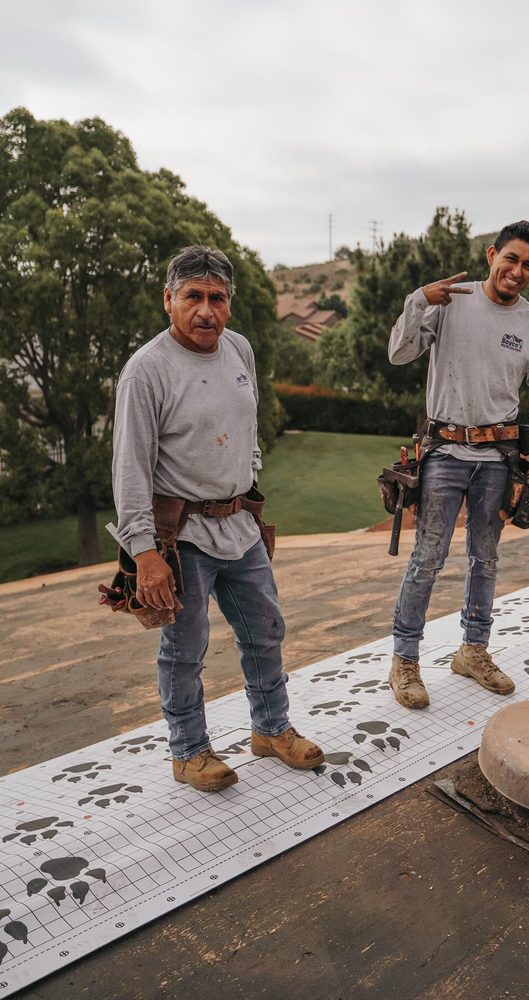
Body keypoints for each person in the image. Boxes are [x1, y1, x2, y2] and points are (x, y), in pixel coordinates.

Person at [106, 245, 323, 791]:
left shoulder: (239, 350)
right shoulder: (146, 371)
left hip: (239, 524)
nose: (206, 310)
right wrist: (144, 553)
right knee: (184, 649)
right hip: (180, 537)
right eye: (193, 297)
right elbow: (129, 468)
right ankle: (190, 751)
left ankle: (271, 730)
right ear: (168, 301)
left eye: (217, 298)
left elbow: (245, 428)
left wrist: (249, 484)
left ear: (230, 303)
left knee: (266, 630)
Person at [387, 221, 529, 709]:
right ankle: (404, 662)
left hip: (498, 458)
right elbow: (399, 353)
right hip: (444, 451)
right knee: (428, 558)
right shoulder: (451, 302)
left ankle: (474, 651)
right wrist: (418, 299)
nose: (518, 271)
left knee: (486, 558)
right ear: (491, 255)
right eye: (511, 259)